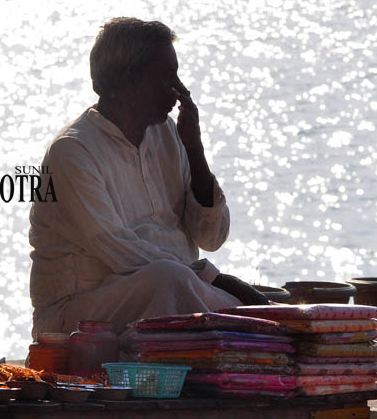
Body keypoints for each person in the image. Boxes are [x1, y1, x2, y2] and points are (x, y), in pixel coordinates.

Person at [29, 17, 267, 337]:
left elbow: (212, 238)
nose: (179, 88)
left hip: (175, 290)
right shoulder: (73, 151)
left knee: (185, 285)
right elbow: (121, 251)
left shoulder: (167, 133)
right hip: (77, 315)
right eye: (167, 75)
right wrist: (213, 280)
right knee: (166, 280)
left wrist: (195, 150)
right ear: (130, 78)